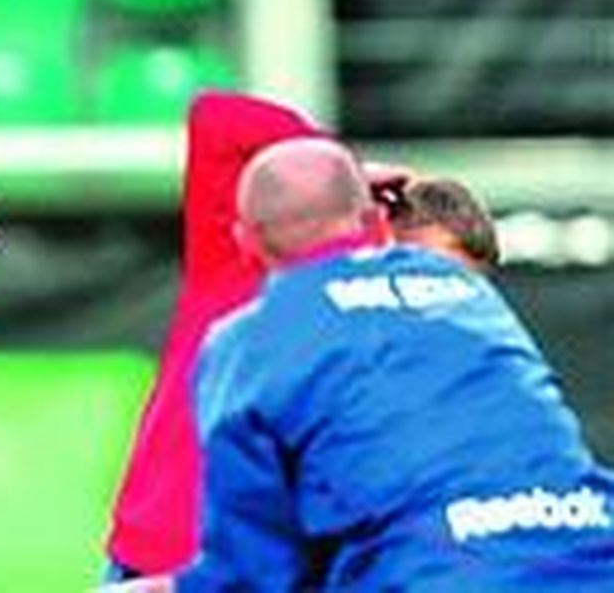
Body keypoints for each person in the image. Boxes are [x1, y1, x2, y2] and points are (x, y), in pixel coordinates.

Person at [112, 138, 614, 591]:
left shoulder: (249, 341)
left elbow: (251, 578)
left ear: (246, 241)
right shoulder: (469, 295)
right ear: (375, 222)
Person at [104, 92, 502, 579]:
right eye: (428, 273)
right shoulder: (252, 266)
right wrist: (338, 174)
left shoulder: (414, 368)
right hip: (160, 560)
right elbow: (217, 115)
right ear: (374, 232)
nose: (437, 299)